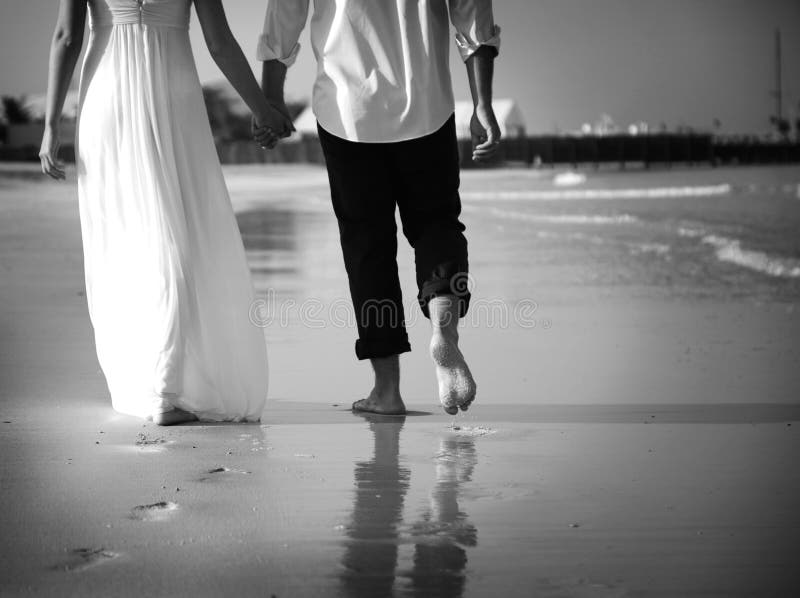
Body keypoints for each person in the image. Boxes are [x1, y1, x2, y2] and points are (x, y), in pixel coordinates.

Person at [40, 0, 290, 424]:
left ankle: (162, 382)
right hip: (173, 95)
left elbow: (67, 37)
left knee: (131, 238)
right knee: (177, 233)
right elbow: (220, 42)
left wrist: (51, 126)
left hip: (107, 93)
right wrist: (262, 109)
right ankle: (165, 384)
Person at [255, 0, 501, 415]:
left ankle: (387, 390)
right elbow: (473, 19)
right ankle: (444, 327)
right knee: (436, 225)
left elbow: (284, 18)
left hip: (347, 111)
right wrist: (483, 104)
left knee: (367, 248)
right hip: (426, 104)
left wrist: (271, 99)